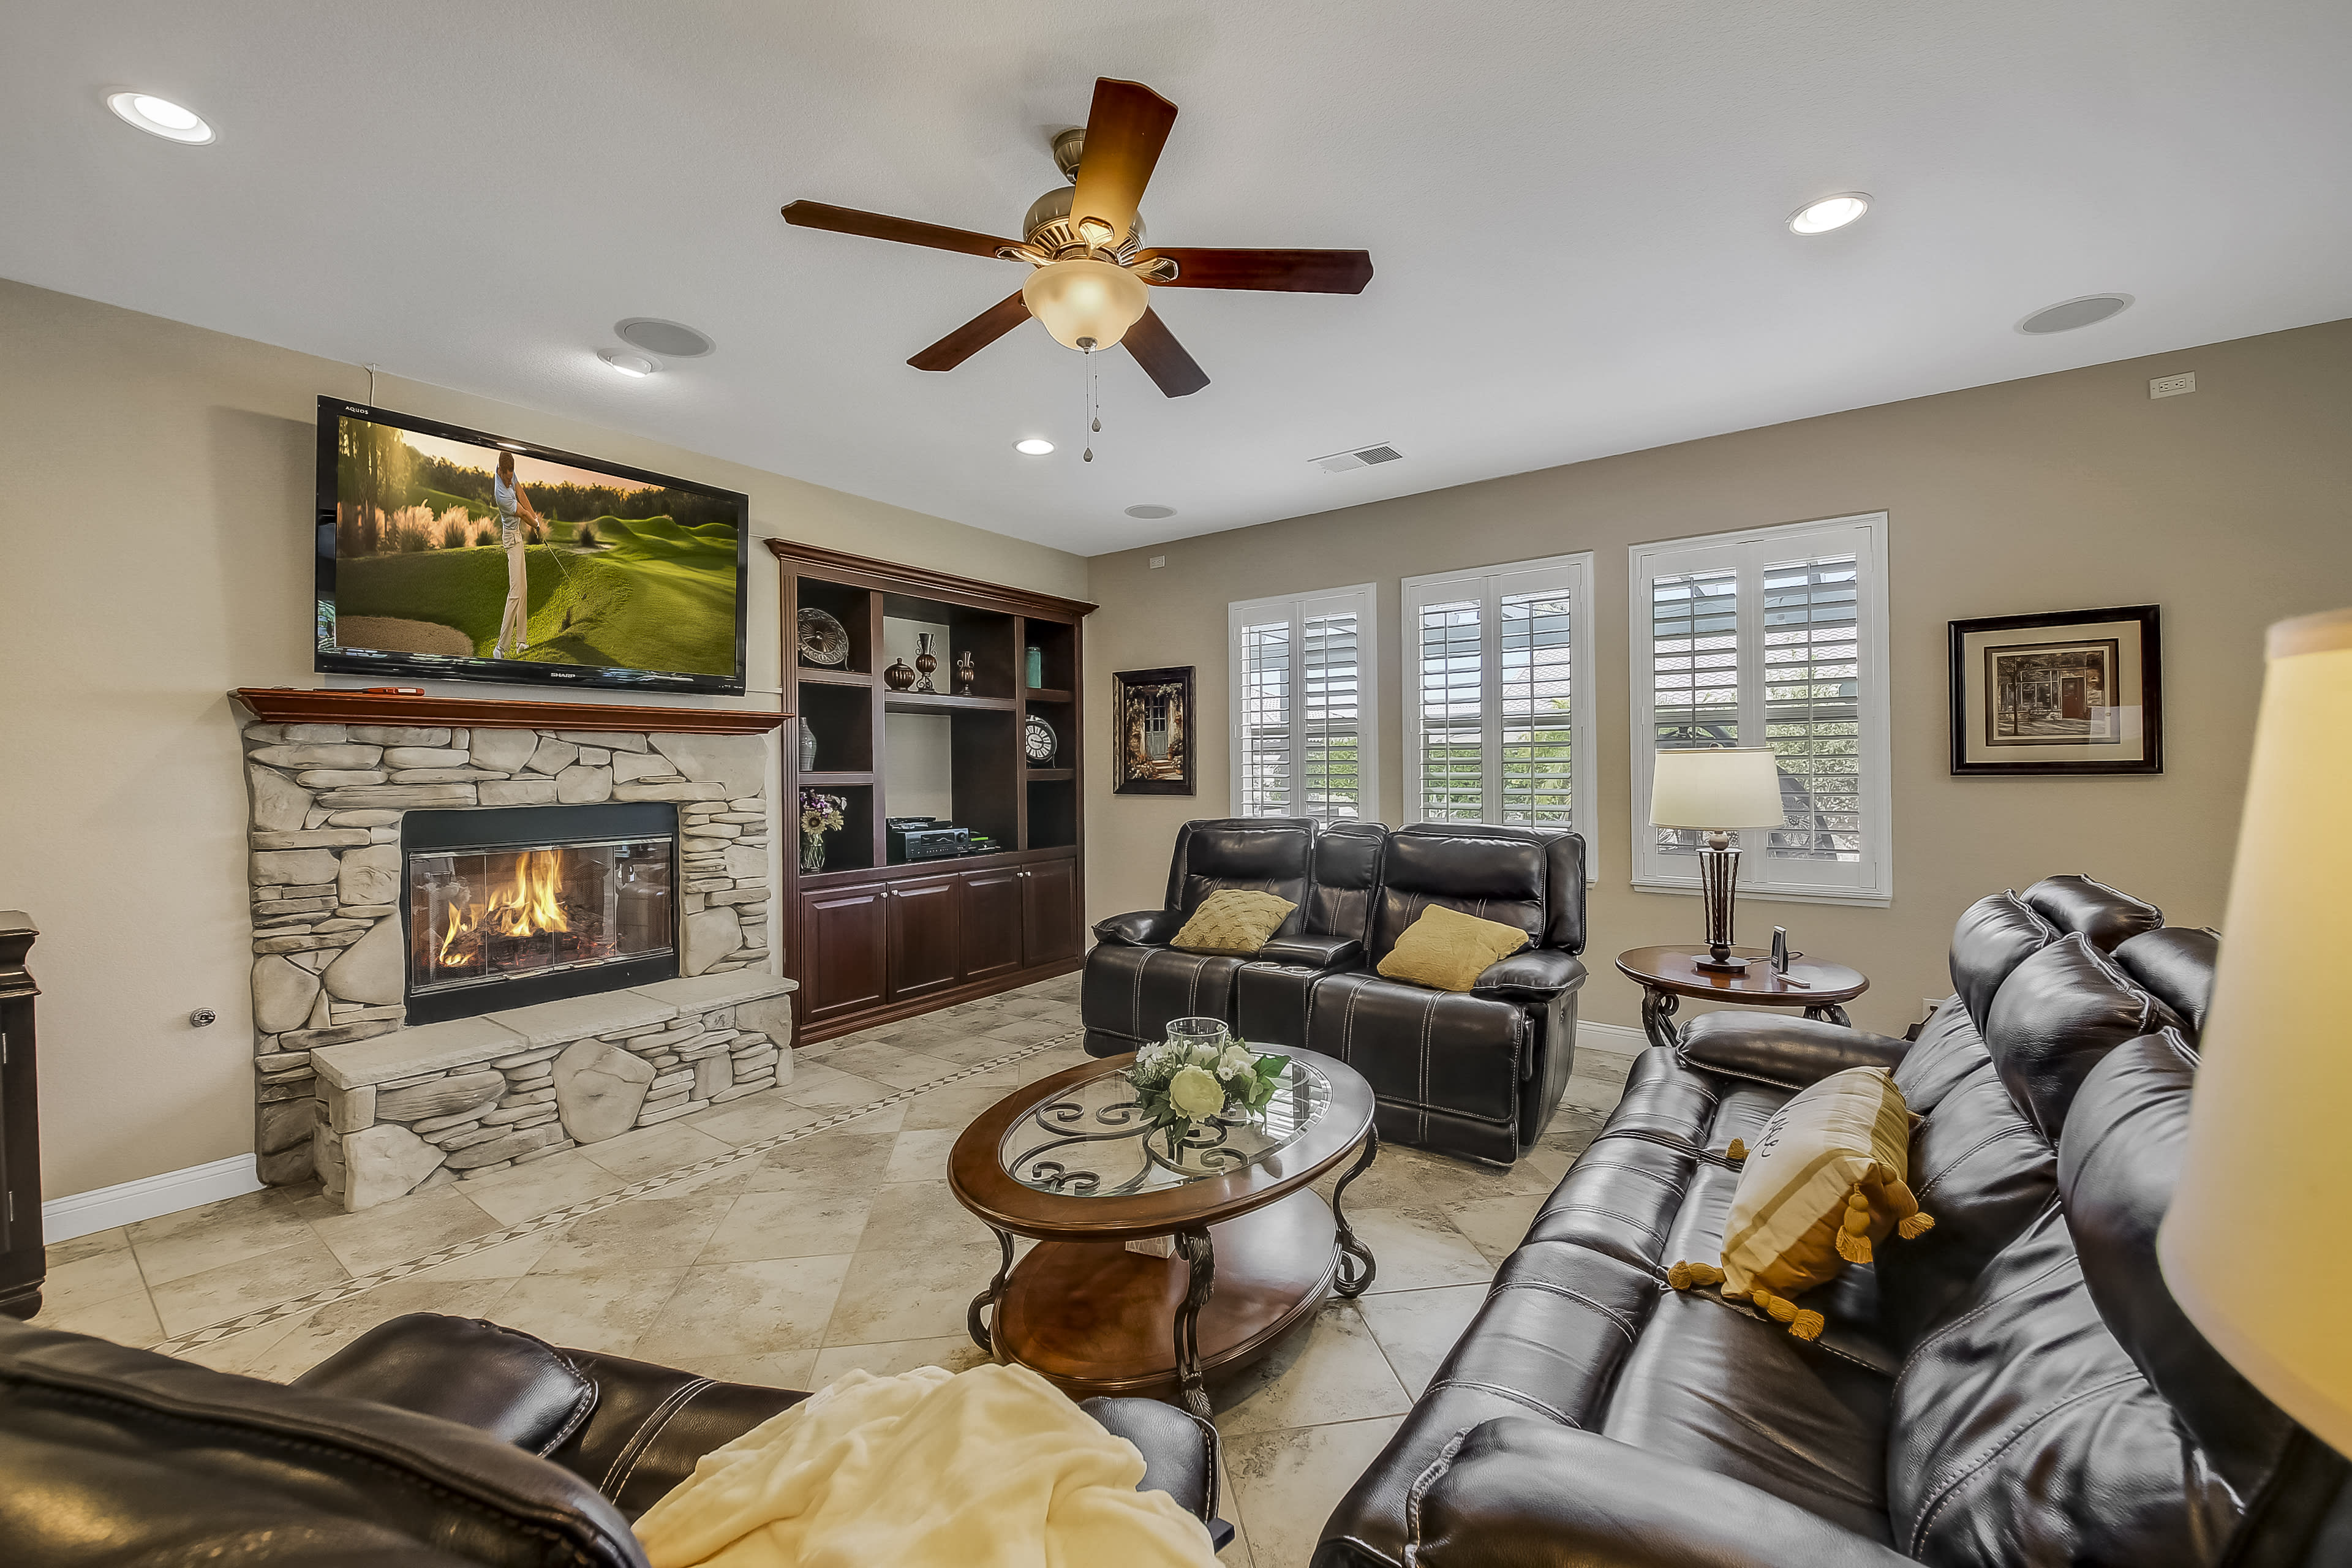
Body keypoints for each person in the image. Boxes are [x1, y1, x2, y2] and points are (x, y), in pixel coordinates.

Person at [490, 451, 544, 659]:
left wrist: (536, 520)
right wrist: (535, 524)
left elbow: (522, 495)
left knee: (524, 588)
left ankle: (521, 642)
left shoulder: (511, 475)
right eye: (507, 477)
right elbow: (521, 513)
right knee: (515, 591)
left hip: (518, 537)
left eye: (512, 476)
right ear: (500, 471)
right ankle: (500, 648)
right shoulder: (500, 495)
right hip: (511, 540)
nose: (510, 480)